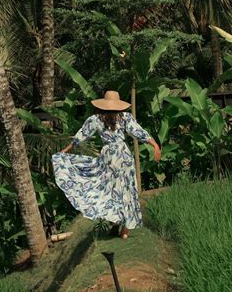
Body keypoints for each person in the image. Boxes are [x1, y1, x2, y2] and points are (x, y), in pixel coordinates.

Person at [52, 90, 161, 239]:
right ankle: (125, 231)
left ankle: (115, 221)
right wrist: (155, 145)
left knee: (110, 190)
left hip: (109, 156)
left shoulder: (96, 119)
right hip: (123, 156)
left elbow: (80, 137)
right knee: (127, 190)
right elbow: (139, 133)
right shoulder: (125, 118)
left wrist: (65, 151)